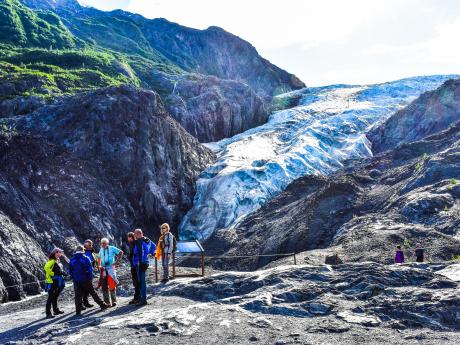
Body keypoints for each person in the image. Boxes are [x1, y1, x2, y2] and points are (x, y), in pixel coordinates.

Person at [68, 245, 109, 316]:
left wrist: (73, 278)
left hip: (76, 280)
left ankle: (78, 311)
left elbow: (70, 270)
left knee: (78, 295)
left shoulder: (72, 259)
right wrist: (90, 278)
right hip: (85, 279)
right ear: (82, 251)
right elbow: (90, 269)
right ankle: (102, 305)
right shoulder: (85, 258)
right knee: (93, 292)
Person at [132, 228, 156, 306]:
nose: (134, 235)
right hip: (140, 263)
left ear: (138, 234)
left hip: (141, 263)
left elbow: (143, 251)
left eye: (135, 234)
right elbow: (154, 246)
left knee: (142, 281)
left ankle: (143, 300)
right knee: (141, 281)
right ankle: (141, 299)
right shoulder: (144, 240)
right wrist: (151, 253)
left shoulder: (143, 240)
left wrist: (148, 254)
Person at [97, 238, 123, 307]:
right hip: (103, 269)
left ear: (107, 243)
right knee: (104, 285)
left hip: (111, 268)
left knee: (112, 285)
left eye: (104, 243)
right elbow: (99, 257)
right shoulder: (101, 249)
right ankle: (107, 302)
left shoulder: (112, 248)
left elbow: (121, 252)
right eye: (102, 243)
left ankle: (114, 301)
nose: (102, 245)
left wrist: (117, 261)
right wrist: (99, 265)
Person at [44, 248, 67, 318]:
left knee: (54, 296)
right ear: (55, 253)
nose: (61, 253)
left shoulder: (56, 260)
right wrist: (53, 274)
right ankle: (48, 313)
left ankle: (56, 310)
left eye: (61, 252)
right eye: (60, 252)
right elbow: (46, 268)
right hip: (51, 282)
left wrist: (62, 273)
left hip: (55, 281)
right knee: (51, 297)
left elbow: (58, 270)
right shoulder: (52, 261)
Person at [82, 239, 97, 308]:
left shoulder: (90, 252)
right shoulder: (83, 253)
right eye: (89, 245)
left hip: (89, 272)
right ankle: (84, 303)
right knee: (85, 288)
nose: (91, 246)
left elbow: (93, 261)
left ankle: (85, 302)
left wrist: (94, 267)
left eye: (91, 244)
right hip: (85, 273)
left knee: (86, 289)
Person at [127, 232, 140, 304]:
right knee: (135, 282)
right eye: (128, 237)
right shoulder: (132, 244)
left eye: (129, 237)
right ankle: (136, 297)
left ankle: (137, 298)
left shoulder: (135, 244)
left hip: (135, 265)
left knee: (137, 282)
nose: (128, 238)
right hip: (133, 265)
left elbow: (135, 254)